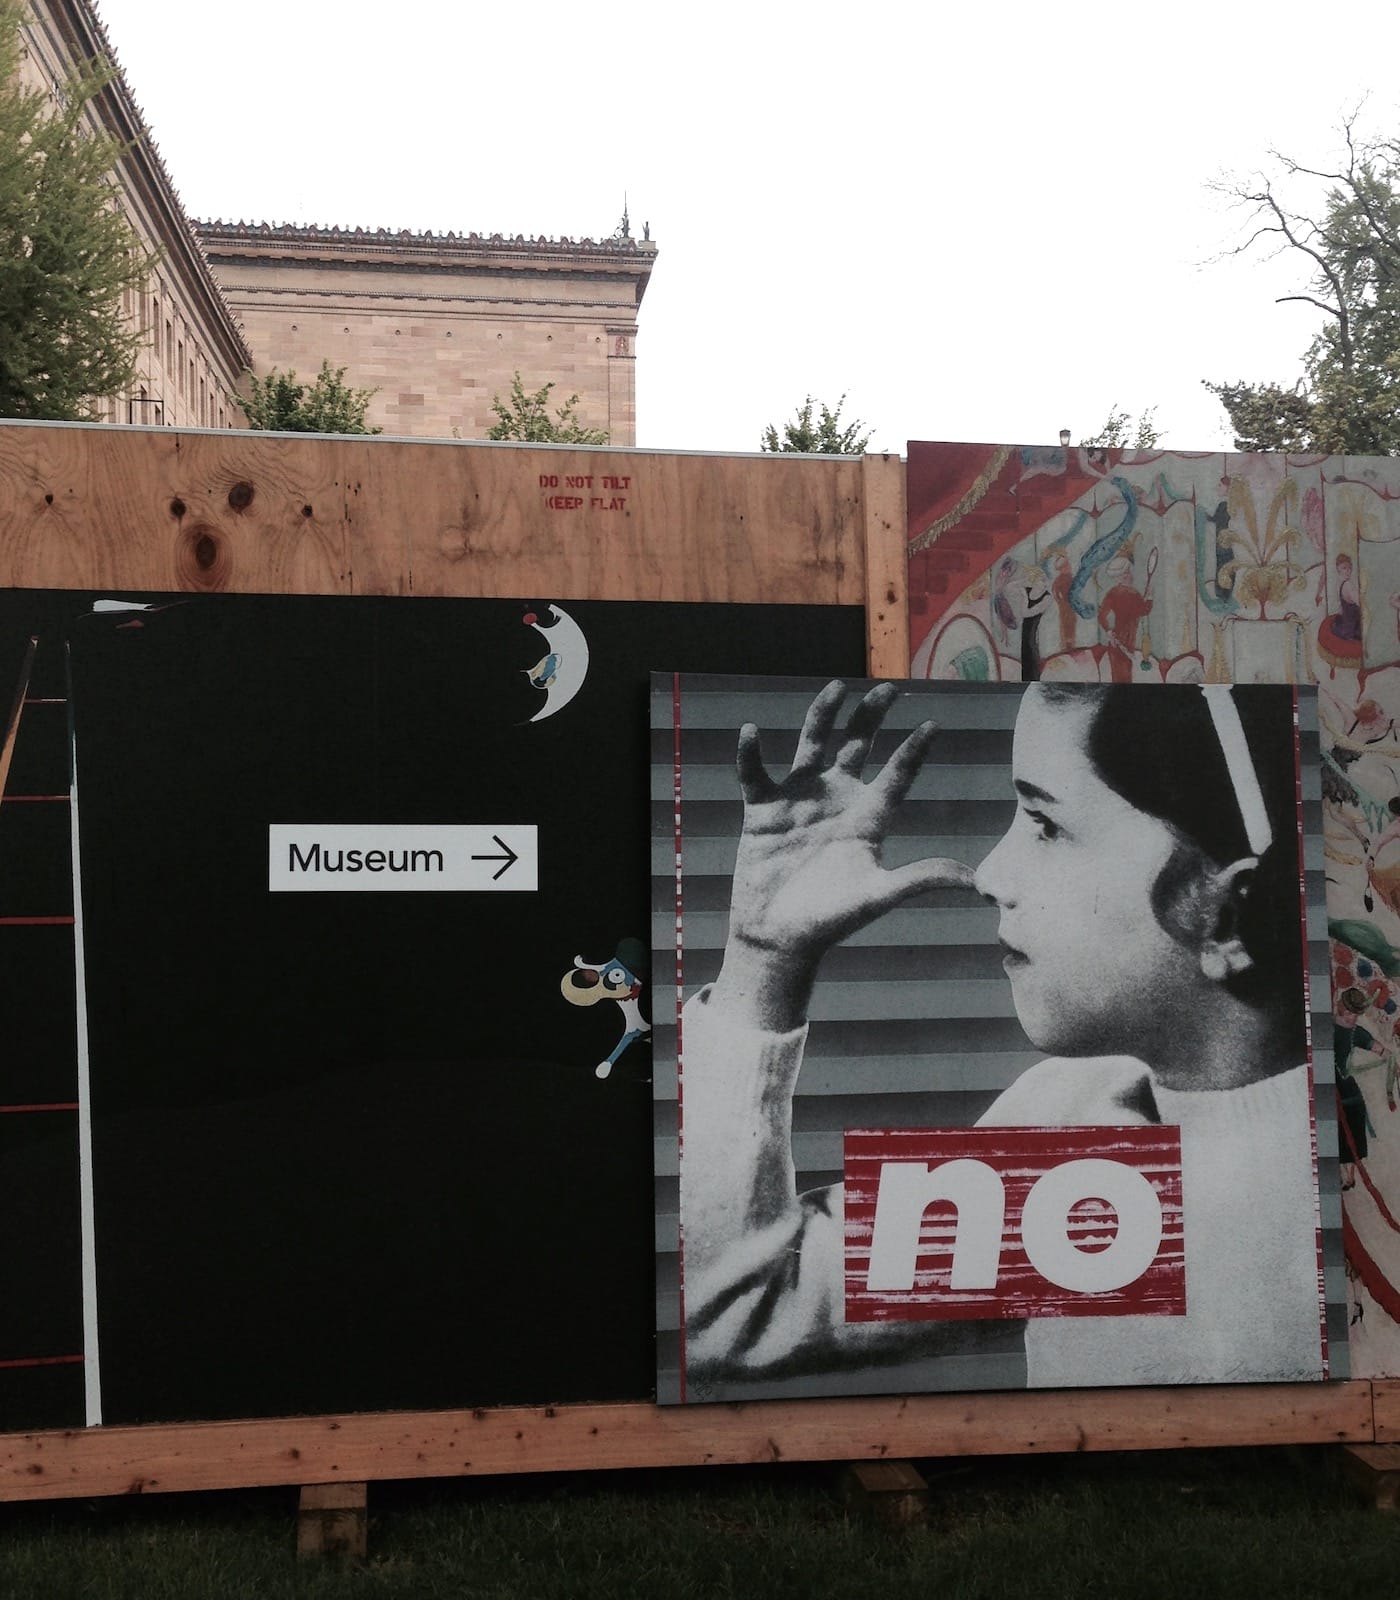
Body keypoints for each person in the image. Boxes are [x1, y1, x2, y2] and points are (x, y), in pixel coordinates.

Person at [679, 679, 1324, 1393]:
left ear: (1225, 915)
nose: (988, 874)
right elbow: (737, 1311)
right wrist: (766, 957)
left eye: (1046, 824)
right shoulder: (1074, 1134)